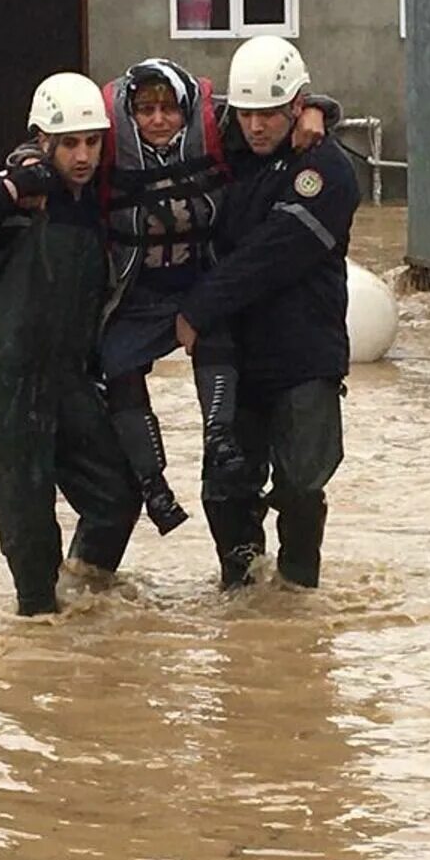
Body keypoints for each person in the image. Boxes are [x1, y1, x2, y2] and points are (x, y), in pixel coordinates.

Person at [0, 72, 141, 617]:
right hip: (7, 377)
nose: (84, 156)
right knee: (27, 511)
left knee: (118, 494)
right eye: (70, 144)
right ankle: (39, 622)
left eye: (93, 142)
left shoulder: (98, 199)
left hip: (66, 375)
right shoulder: (13, 196)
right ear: (43, 142)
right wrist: (10, 189)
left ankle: (86, 594)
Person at [93, 60, 335, 536]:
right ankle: (153, 484)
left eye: (169, 110)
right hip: (136, 293)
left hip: (198, 286)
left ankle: (218, 435)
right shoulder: (102, 142)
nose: (158, 120)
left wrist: (323, 109)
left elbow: (271, 110)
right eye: (146, 110)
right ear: (130, 112)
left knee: (217, 335)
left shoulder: (218, 131)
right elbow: (50, 145)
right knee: (117, 365)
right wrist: (24, 168)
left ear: (186, 112)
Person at [174, 37, 360, 591]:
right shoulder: (223, 152)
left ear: (296, 105)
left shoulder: (326, 169)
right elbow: (144, 116)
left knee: (302, 485)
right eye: (247, 113)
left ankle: (299, 590)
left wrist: (198, 310)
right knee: (225, 488)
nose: (256, 127)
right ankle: (243, 593)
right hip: (233, 354)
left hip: (304, 355)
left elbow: (272, 254)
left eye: (270, 115)